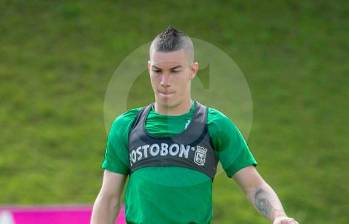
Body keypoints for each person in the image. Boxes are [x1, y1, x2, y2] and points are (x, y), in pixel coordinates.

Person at [91, 26, 299, 224]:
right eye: (157, 70)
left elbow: (255, 187)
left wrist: (278, 216)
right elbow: (109, 197)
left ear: (193, 70)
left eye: (174, 70)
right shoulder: (127, 126)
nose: (164, 80)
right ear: (148, 69)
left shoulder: (215, 126)